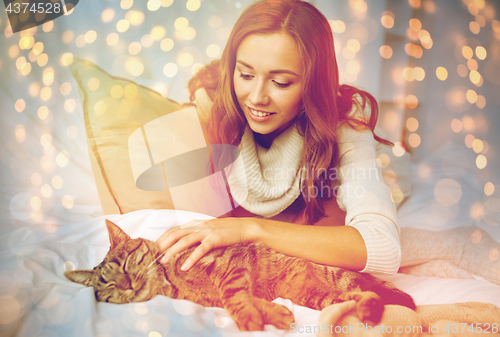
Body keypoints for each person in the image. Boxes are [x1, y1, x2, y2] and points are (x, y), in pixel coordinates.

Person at [156, 0, 401, 275]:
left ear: (313, 82)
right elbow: (205, 240)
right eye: (246, 74)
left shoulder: (343, 122)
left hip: (371, 179)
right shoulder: (207, 111)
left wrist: (251, 229)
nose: (257, 98)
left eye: (281, 82)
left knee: (336, 197)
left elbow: (384, 248)